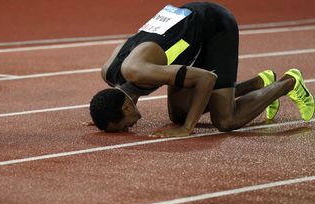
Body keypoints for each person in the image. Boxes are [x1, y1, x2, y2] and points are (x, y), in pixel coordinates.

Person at [89, 2, 314, 137]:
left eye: (122, 126)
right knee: (178, 114)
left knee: (225, 120)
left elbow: (206, 79)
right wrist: (104, 117)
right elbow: (123, 96)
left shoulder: (139, 71)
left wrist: (188, 128)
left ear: (126, 107)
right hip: (188, 28)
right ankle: (259, 83)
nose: (128, 129)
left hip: (214, 26)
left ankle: (288, 82)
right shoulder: (109, 72)